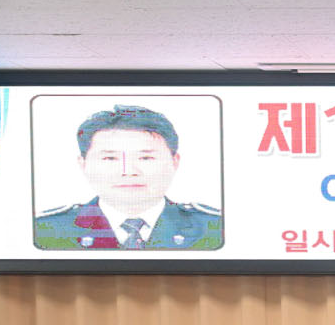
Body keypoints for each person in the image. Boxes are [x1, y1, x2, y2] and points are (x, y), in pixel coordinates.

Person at [34, 105, 224, 251]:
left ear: (174, 162)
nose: (128, 171)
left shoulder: (214, 227)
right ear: (83, 164)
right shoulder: (45, 229)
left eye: (146, 158)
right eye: (110, 158)